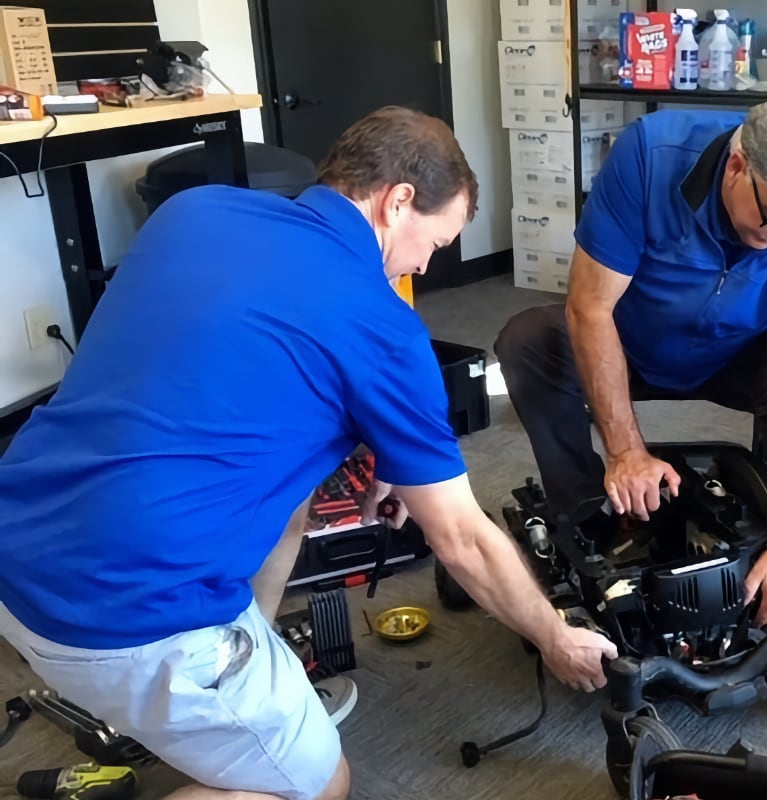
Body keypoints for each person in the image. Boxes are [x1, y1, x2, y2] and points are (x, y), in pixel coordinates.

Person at [0, 107, 616, 800]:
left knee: (294, 495)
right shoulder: (384, 331)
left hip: (18, 540)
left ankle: (240, 673)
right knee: (321, 786)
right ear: (398, 201)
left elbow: (252, 379)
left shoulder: (193, 212)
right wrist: (555, 637)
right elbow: (463, 541)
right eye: (436, 243)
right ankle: (215, 686)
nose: (424, 263)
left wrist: (385, 448)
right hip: (127, 610)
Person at [495, 95, 767, 633]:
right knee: (528, 340)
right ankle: (592, 516)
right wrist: (625, 452)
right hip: (631, 344)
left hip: (735, 353)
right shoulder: (650, 154)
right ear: (737, 166)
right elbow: (589, 307)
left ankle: (765, 546)